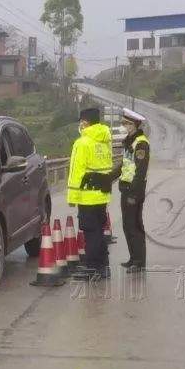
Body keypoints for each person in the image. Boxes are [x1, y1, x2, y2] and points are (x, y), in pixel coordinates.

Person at [67, 108, 114, 280]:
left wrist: (72, 197)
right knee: (99, 231)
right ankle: (103, 267)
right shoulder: (104, 140)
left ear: (85, 122)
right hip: (102, 195)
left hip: (87, 196)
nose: (80, 124)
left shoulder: (82, 143)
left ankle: (92, 268)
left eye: (81, 121)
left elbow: (76, 172)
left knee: (91, 233)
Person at [118, 108, 150, 273]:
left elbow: (140, 171)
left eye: (127, 123)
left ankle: (139, 262)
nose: (124, 126)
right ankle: (133, 258)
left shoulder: (141, 143)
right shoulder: (129, 141)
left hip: (134, 191)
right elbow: (124, 165)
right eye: (123, 122)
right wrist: (108, 178)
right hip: (126, 188)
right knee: (127, 225)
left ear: (135, 125)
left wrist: (134, 195)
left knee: (135, 226)